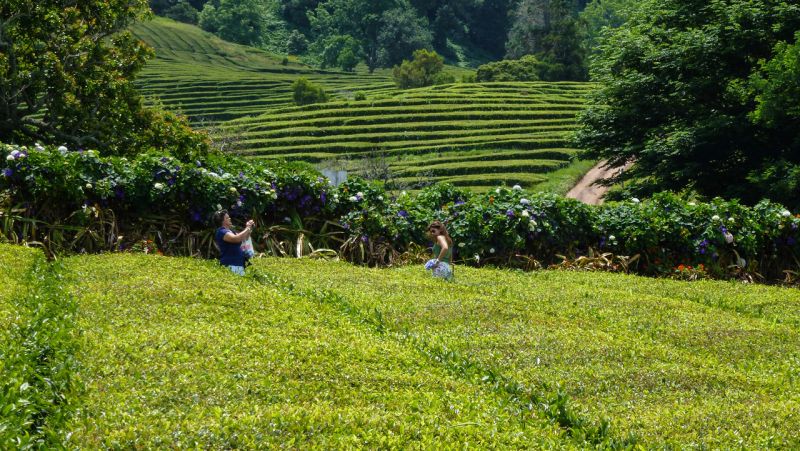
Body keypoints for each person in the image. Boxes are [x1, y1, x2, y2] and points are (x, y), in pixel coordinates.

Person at [212, 209, 255, 276]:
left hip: (238, 265)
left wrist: (249, 227)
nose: (230, 218)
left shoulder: (231, 231)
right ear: (222, 221)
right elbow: (236, 239)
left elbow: (244, 238)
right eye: (227, 218)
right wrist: (247, 228)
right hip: (230, 265)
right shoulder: (221, 232)